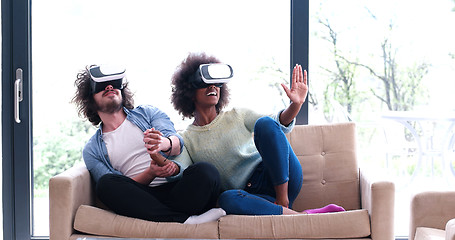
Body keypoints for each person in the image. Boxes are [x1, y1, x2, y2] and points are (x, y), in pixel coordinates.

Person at [170, 52, 346, 215]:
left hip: (278, 174)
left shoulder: (238, 115)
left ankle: (283, 201)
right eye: (205, 83)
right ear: (189, 91)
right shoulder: (187, 139)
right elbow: (180, 171)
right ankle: (299, 216)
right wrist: (160, 157)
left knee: (264, 124)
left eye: (217, 84)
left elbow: (277, 126)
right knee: (226, 200)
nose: (213, 87)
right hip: (252, 196)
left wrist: (295, 105)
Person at [71, 64, 225, 224]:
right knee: (105, 185)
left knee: (207, 171)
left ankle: (169, 218)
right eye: (101, 86)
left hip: (178, 189)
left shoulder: (148, 113)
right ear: (90, 97)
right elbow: (118, 185)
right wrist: (151, 173)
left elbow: (177, 142)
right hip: (142, 197)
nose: (110, 86)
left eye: (115, 83)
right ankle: (186, 220)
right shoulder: (92, 150)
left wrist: (163, 143)